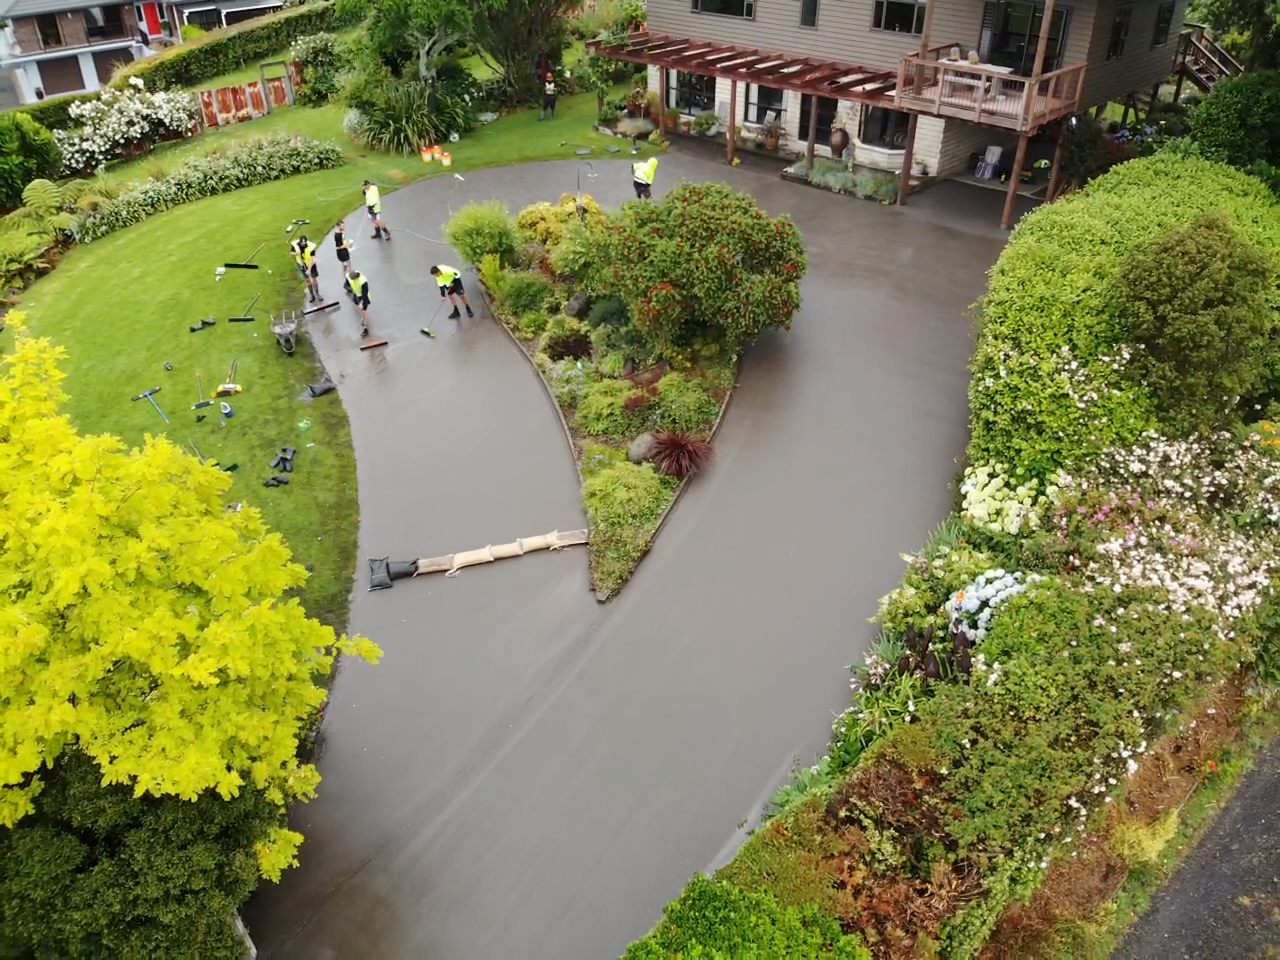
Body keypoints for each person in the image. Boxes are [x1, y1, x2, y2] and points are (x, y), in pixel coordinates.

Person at [291, 235, 320, 303]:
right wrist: (296, 253)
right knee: (307, 280)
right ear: (300, 242)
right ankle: (312, 295)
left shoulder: (311, 246)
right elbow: (291, 252)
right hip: (301, 264)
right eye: (302, 243)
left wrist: (309, 269)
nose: (303, 245)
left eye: (304, 244)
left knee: (314, 279)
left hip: (310, 264)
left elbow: (312, 258)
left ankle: (317, 294)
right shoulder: (296, 245)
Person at [347, 270, 373, 338]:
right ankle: (364, 319)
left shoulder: (363, 281)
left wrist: (361, 303)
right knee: (360, 309)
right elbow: (348, 281)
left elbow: (365, 293)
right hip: (356, 294)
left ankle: (366, 328)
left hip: (363, 296)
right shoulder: (349, 277)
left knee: (363, 310)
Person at [333, 220, 353, 286]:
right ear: (338, 226)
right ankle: (347, 282)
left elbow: (343, 242)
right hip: (342, 254)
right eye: (342, 226)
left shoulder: (341, 233)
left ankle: (348, 280)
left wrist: (347, 244)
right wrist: (347, 245)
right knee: (347, 267)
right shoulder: (337, 235)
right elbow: (337, 247)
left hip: (344, 252)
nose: (344, 227)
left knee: (347, 266)